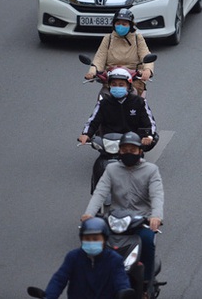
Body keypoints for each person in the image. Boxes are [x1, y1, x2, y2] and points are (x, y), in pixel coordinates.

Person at [81, 132, 164, 290]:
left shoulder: (151, 170)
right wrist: (89, 214)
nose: (128, 153)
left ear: (140, 151)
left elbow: (157, 195)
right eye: (124, 150)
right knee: (94, 243)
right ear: (119, 151)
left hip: (141, 222)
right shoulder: (112, 169)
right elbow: (100, 193)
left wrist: (156, 217)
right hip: (115, 221)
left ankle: (147, 284)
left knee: (147, 240)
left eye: (132, 150)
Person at [43, 217, 131, 299]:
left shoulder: (114, 259)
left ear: (104, 240)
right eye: (87, 239)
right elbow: (59, 279)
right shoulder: (73, 257)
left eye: (95, 239)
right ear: (82, 240)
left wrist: (124, 293)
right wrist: (49, 296)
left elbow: (121, 281)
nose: (91, 242)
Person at [79, 67, 157, 149]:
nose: (117, 87)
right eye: (114, 84)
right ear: (109, 86)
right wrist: (86, 134)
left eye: (121, 85)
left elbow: (150, 123)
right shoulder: (103, 103)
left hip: (132, 142)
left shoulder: (139, 102)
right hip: (109, 142)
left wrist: (149, 136)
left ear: (128, 86)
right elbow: (92, 121)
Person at [84, 9, 155, 97]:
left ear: (130, 25)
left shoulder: (137, 38)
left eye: (124, 24)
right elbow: (99, 58)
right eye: (118, 24)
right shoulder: (108, 38)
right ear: (114, 25)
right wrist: (92, 72)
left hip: (134, 79)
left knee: (135, 99)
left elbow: (146, 55)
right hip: (111, 79)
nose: (120, 26)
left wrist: (147, 70)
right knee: (102, 99)